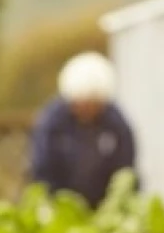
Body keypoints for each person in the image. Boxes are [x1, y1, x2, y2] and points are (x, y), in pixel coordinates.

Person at [28, 51, 137, 209]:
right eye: (83, 103)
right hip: (62, 208)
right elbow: (42, 170)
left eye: (94, 104)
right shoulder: (52, 124)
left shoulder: (116, 124)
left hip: (105, 208)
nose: (88, 110)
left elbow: (126, 168)